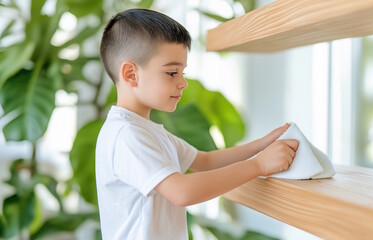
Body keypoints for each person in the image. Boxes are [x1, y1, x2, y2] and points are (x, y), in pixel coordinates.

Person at [96, 8, 299, 240]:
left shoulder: (145, 130)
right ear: (131, 74)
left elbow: (204, 161)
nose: (182, 83)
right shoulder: (126, 135)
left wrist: (262, 145)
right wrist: (258, 166)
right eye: (172, 72)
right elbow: (182, 192)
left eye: (182, 72)